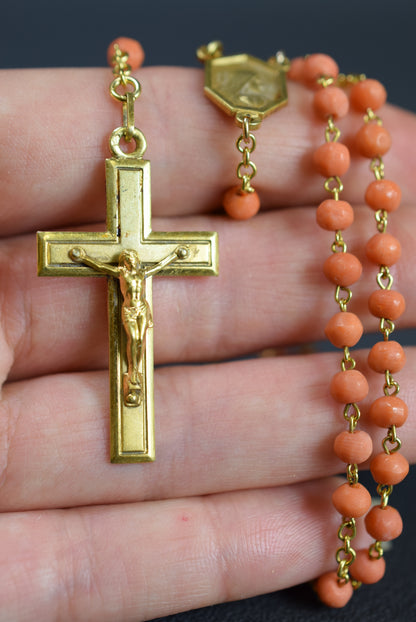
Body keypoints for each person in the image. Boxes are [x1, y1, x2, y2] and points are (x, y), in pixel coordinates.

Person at [0, 63, 415, 621]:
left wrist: (161, 257)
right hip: (129, 310)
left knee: (134, 324)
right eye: (125, 260)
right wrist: (88, 257)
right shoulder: (110, 260)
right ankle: (131, 395)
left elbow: (175, 252)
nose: (130, 261)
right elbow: (68, 251)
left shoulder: (157, 254)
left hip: (139, 310)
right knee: (130, 338)